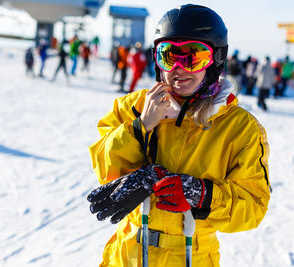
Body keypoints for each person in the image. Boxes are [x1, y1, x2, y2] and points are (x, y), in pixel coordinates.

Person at [87, 4, 271, 267]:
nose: (178, 68)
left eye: (193, 57)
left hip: (189, 256)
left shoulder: (240, 129)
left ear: (215, 60)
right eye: (168, 55)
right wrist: (140, 127)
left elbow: (253, 206)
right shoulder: (133, 107)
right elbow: (104, 169)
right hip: (126, 255)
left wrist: (202, 194)